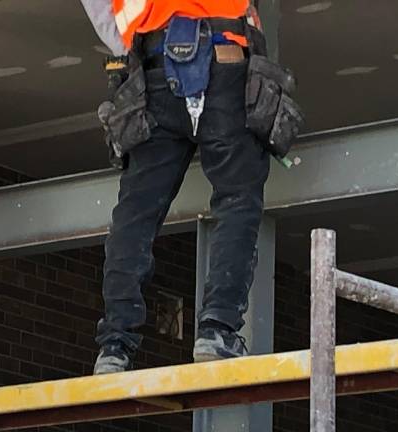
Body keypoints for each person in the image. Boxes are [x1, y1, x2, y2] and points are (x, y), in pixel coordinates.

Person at [80, 1, 303, 374]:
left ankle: (115, 345)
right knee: (237, 199)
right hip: (224, 59)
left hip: (153, 69)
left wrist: (127, 42)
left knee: (136, 214)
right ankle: (217, 329)